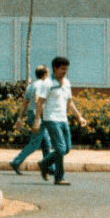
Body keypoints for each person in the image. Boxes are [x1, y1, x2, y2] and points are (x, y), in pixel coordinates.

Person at [34, 56, 88, 186]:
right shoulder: (48, 83)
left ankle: (44, 163)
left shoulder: (67, 83)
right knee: (60, 148)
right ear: (55, 68)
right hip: (51, 119)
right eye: (62, 69)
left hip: (63, 119)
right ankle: (59, 177)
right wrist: (37, 120)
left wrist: (79, 117)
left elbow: (69, 102)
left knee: (67, 148)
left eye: (66, 69)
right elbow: (39, 102)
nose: (65, 72)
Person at [10, 65, 52, 174]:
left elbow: (24, 104)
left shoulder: (31, 85)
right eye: (48, 72)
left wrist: (20, 119)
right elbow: (37, 99)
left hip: (31, 114)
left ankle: (49, 167)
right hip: (37, 115)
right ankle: (16, 161)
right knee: (35, 143)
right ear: (45, 74)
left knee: (46, 142)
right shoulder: (42, 85)